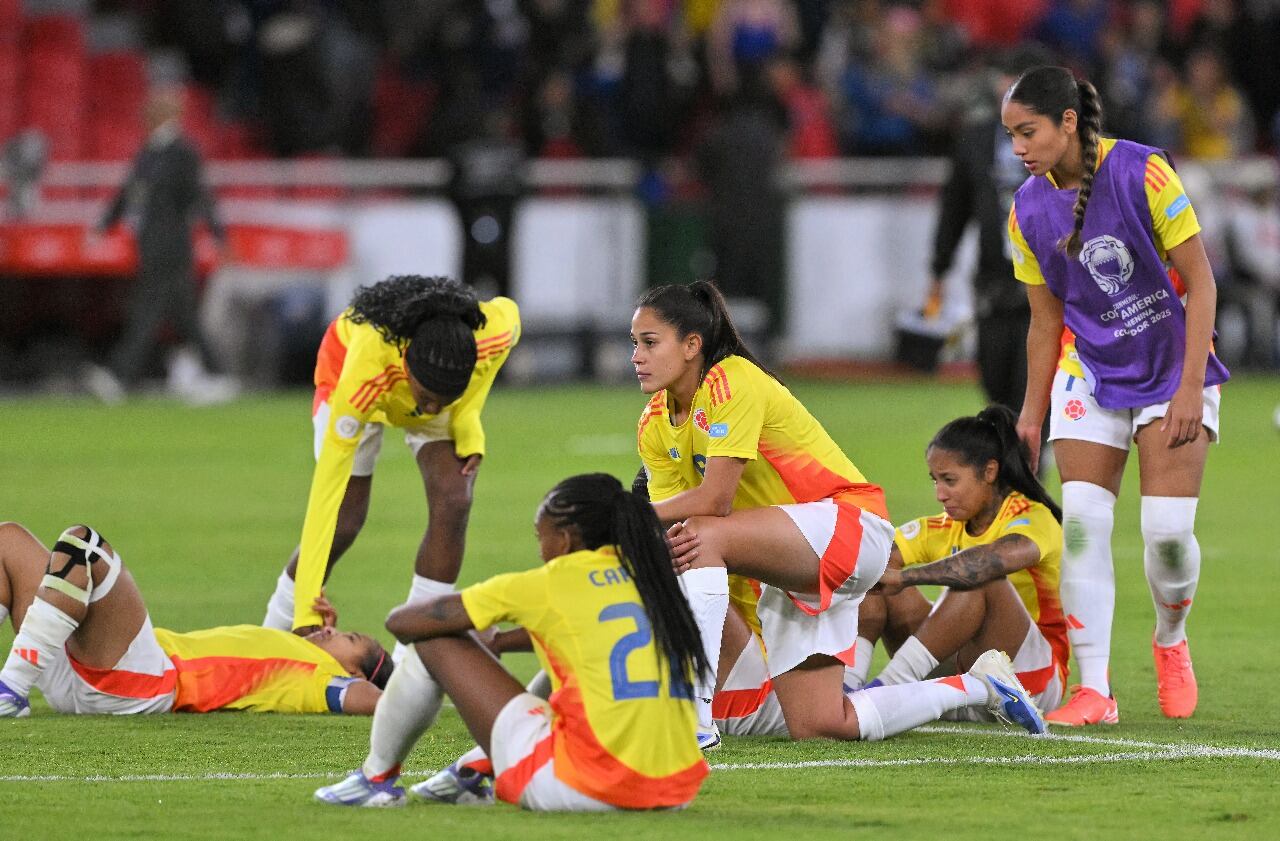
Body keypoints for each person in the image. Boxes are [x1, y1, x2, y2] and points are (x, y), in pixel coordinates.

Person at [631, 280, 1042, 741]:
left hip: (849, 525)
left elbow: (714, 503)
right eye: (635, 344)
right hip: (791, 567)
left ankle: (696, 718)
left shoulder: (730, 380)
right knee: (821, 724)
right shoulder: (653, 425)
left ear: (692, 345)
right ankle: (981, 686)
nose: (636, 356)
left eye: (650, 342)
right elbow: (677, 527)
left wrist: (626, 514)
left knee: (699, 534)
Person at [1003, 66, 1230, 725]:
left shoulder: (1144, 172)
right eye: (1011, 135)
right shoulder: (1025, 211)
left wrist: (1191, 387)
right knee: (1080, 525)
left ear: (1068, 122)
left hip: (1171, 365)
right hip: (1089, 370)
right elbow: (1045, 322)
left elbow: (1202, 284)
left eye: (1028, 132)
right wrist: (1030, 415)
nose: (1017, 148)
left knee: (1167, 536)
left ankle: (1170, 637)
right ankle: (1094, 688)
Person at [314, 473, 710, 811]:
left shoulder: (553, 582)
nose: (540, 549)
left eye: (541, 536)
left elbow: (403, 623)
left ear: (566, 540)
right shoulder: (647, 574)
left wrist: (473, 636)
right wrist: (501, 641)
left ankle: (375, 780)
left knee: (432, 641)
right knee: (566, 665)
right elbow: (585, 634)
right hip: (675, 791)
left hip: (591, 787)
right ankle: (471, 772)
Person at [260, 275, 520, 651]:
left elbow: (509, 317)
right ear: (408, 367)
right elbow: (326, 495)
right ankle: (269, 639)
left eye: (444, 400)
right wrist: (305, 611)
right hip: (349, 372)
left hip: (426, 380)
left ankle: (413, 655)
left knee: (454, 497)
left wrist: (466, 417)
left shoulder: (489, 335)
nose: (431, 409)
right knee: (345, 519)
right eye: (427, 398)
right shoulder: (365, 371)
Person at [0, 522, 390, 718]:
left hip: (140, 682)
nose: (332, 630)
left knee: (84, 544)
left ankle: (11, 688)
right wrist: (310, 625)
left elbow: (376, 700)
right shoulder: (286, 652)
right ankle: (13, 686)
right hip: (85, 669)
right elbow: (293, 579)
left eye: (350, 638)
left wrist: (409, 692)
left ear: (355, 672)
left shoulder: (319, 676)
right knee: (8, 539)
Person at [850, 406, 1068, 723]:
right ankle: (849, 687)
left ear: (989, 472)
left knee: (981, 577)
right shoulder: (943, 526)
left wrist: (907, 577)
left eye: (949, 480)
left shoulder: (1032, 517)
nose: (940, 494)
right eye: (935, 481)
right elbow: (871, 560)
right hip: (964, 672)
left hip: (1032, 681)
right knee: (875, 569)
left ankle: (886, 689)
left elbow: (989, 562)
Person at [86, 87, 232, 405]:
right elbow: (128, 192)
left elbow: (199, 196)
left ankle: (119, 375)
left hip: (173, 247)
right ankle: (218, 373)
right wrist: (104, 225)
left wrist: (218, 234)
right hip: (150, 245)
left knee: (147, 312)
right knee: (183, 317)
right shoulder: (149, 152)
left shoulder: (184, 153)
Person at [928, 47, 1050, 417]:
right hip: (993, 287)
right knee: (995, 384)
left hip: (1044, 287)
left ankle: (1034, 448)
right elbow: (955, 210)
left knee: (1032, 389)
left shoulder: (1057, 141)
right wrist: (939, 270)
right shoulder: (976, 140)